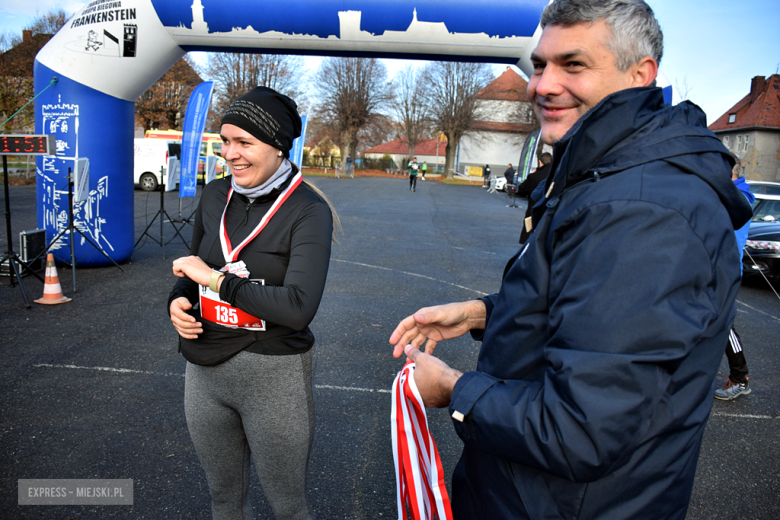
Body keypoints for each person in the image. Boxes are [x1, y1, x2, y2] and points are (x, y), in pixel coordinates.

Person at [388, 1, 752, 518]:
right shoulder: (605, 173)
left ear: (639, 74)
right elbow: (590, 305)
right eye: (540, 65)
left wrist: (454, 387)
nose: (543, 85)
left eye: (573, 65)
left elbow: (579, 431)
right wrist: (482, 313)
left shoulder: (643, 208)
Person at [169, 86, 338, 520]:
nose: (232, 153)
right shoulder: (214, 196)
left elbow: (298, 307)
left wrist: (218, 283)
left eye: (245, 142)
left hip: (272, 377)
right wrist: (178, 302)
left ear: (279, 147)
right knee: (223, 500)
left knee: (288, 507)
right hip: (203, 372)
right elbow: (194, 268)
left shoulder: (308, 209)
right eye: (226, 141)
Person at [716, 157, 755, 400]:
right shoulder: (733, 194)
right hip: (717, 269)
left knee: (725, 324)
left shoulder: (739, 198)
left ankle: (740, 378)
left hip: (724, 272)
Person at [517, 152, 553, 243]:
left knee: (530, 241)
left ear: (540, 162)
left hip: (534, 213)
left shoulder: (534, 176)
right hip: (551, 214)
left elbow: (521, 190)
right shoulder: (557, 174)